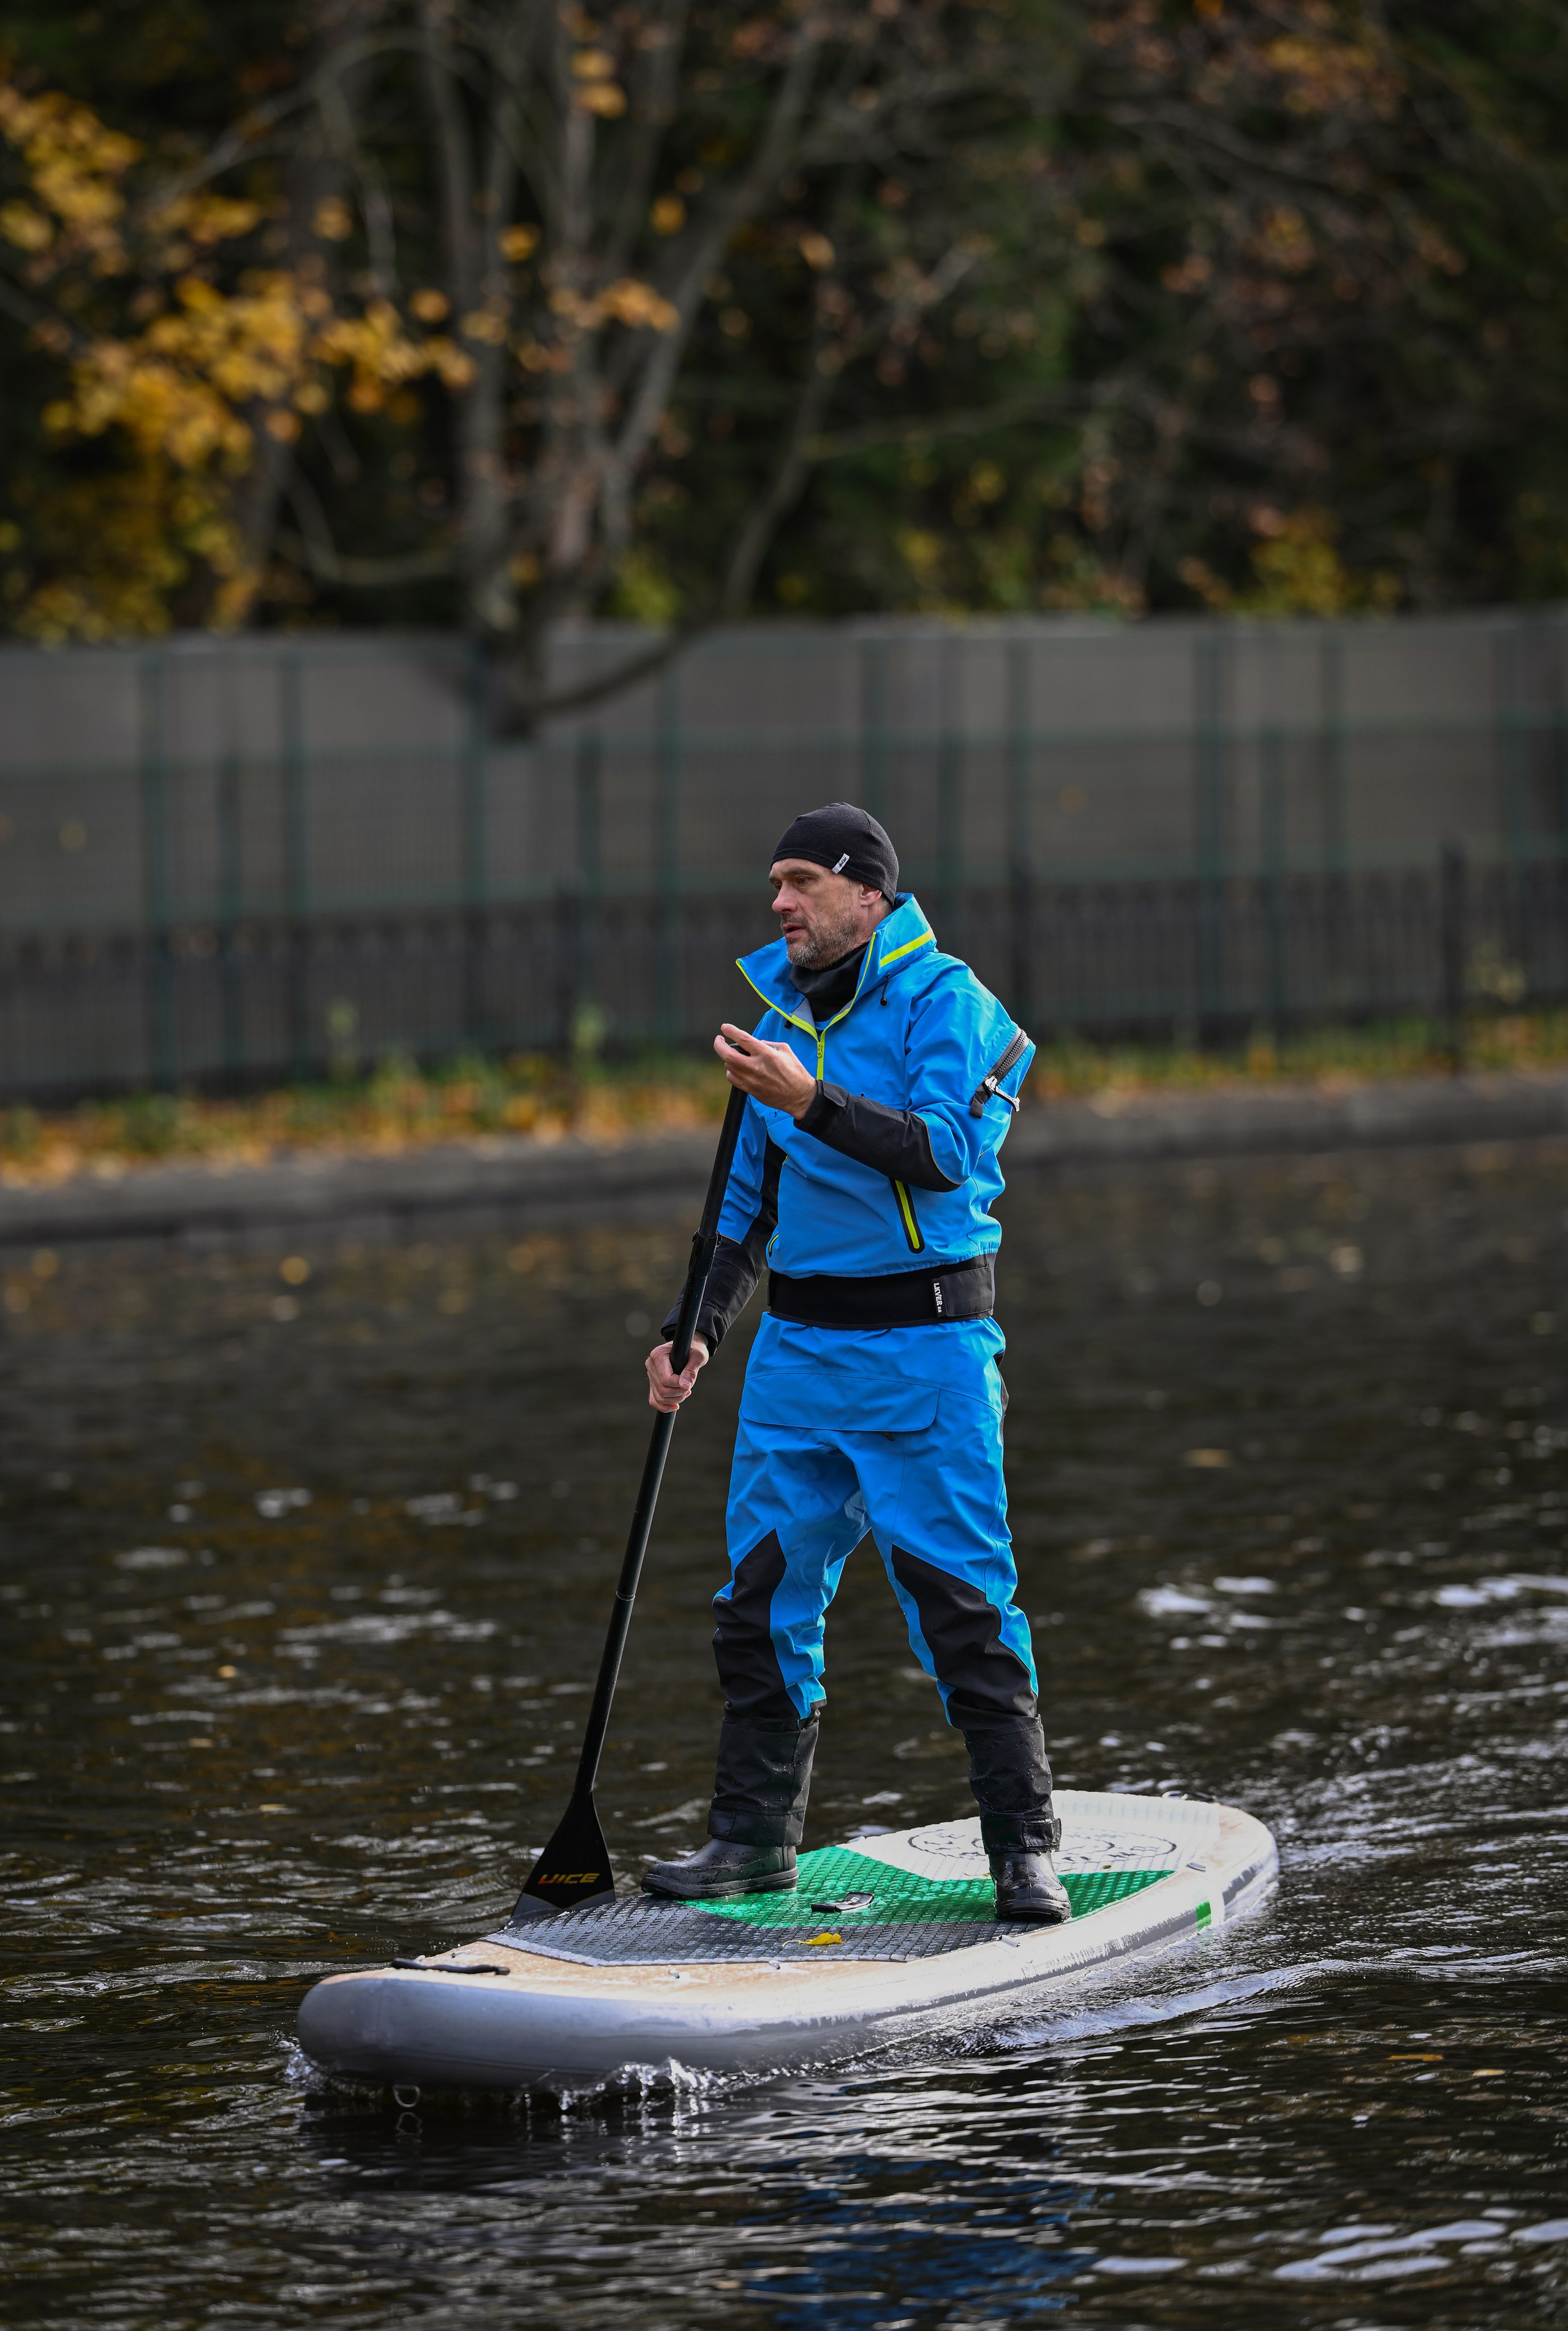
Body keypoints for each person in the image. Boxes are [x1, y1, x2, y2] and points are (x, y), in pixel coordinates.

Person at [641, 802, 1069, 1924]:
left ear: (867, 892)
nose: (778, 902)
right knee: (758, 1600)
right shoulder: (776, 1012)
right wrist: (697, 1325)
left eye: (800, 881)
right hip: (796, 1359)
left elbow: (942, 1153)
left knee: (961, 1606)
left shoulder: (952, 1005)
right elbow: (746, 1202)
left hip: (927, 1353)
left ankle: (1024, 1849)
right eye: (774, 882)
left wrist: (809, 1097)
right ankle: (750, 1843)